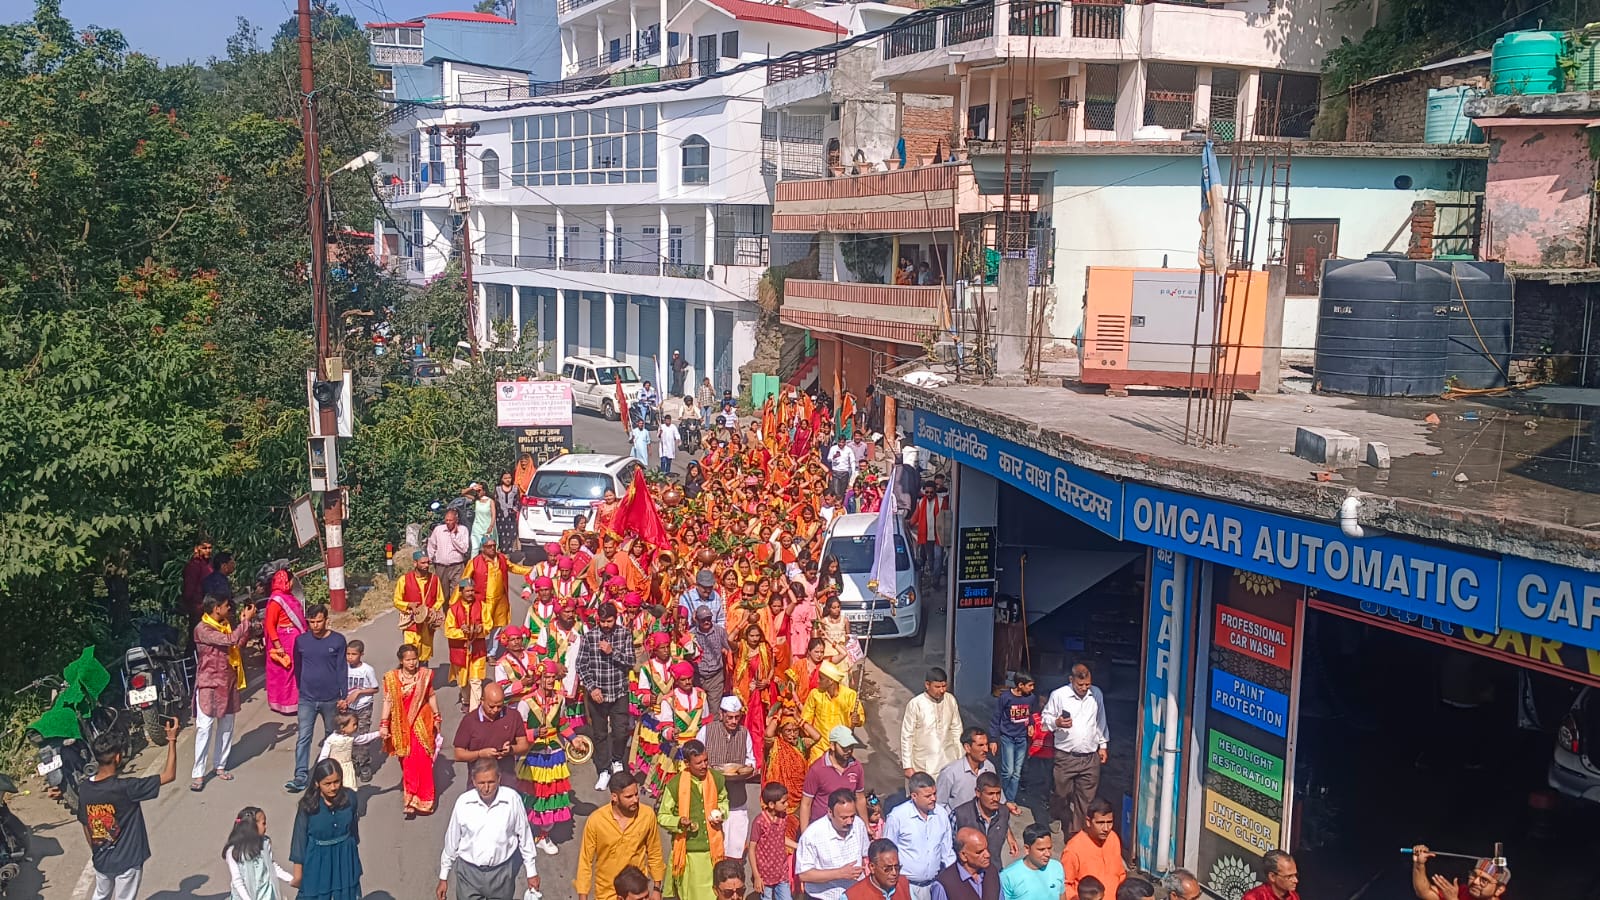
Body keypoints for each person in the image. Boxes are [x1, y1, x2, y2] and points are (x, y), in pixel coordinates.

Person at [76, 720, 179, 900]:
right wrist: (171, 739)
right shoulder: (126, 787)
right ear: (117, 758)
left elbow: (86, 824)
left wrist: (96, 851)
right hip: (127, 861)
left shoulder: (85, 789)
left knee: (100, 895)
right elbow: (169, 775)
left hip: (102, 860)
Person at [438, 757, 541, 900]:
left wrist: (531, 872)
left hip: (502, 874)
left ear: (499, 779)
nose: (486, 788)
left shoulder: (512, 800)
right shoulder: (463, 803)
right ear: (474, 781)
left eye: (491, 782)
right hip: (468, 875)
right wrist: (443, 876)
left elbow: (525, 836)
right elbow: (452, 841)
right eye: (481, 783)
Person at [192, 593, 255, 792]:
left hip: (228, 681)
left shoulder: (226, 625)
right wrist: (245, 622)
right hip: (209, 684)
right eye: (227, 606)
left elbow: (237, 644)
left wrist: (245, 626)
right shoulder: (202, 629)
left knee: (227, 726)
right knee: (204, 728)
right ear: (216, 608)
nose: (229, 609)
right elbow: (230, 640)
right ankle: (198, 773)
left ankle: (220, 765)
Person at [575, 771, 667, 900]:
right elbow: (585, 862)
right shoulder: (596, 821)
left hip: (636, 893)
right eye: (629, 797)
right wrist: (583, 896)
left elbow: (655, 852)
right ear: (614, 797)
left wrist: (657, 888)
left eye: (636, 794)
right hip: (606, 893)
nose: (635, 800)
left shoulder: (647, 815)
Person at [1040, 664, 1108, 834]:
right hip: (1066, 757)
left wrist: (1103, 745)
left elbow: (1101, 721)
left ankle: (1076, 832)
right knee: (1061, 792)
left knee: (1086, 798)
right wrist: (1057, 722)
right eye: (1080, 685)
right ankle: (1056, 814)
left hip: (1090, 757)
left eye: (1087, 685)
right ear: (1071, 680)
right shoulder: (1059, 695)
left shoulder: (1096, 694)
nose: (1084, 688)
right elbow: (1045, 719)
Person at [658, 740, 729, 900]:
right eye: (699, 763)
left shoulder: (716, 779)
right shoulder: (675, 784)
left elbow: (723, 801)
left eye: (706, 760)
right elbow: (662, 816)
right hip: (689, 854)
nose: (704, 766)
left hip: (713, 853)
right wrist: (678, 822)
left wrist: (721, 813)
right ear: (686, 763)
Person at [288, 604, 348, 794]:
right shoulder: (301, 641)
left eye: (319, 621)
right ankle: (300, 776)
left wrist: (344, 695)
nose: (315, 625)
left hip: (331, 699)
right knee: (303, 737)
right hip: (307, 699)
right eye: (311, 621)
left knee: (332, 736)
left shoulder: (338, 640)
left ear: (326, 620)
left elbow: (341, 668)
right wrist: (302, 688)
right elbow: (297, 666)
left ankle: (331, 776)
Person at [579, 602, 638, 791]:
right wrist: (592, 688)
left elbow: (631, 661)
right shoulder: (589, 637)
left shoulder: (624, 634)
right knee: (600, 734)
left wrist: (612, 652)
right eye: (602, 621)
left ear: (615, 619)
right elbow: (581, 665)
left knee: (621, 731)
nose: (605, 625)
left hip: (619, 691)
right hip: (598, 694)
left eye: (609, 621)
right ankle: (604, 769)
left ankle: (617, 759)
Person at [381, 643, 443, 818]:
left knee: (422, 759)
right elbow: (388, 701)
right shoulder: (391, 678)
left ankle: (423, 799)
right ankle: (411, 795)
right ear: (401, 661)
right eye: (408, 660)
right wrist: (384, 723)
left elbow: (431, 695)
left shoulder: (425, 675)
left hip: (422, 722)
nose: (412, 663)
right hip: (401, 725)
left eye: (414, 659)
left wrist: (437, 716)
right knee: (407, 761)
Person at [289, 758, 363, 900]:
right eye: (327, 784)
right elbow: (299, 839)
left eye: (337, 782)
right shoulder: (308, 805)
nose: (333, 787)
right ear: (317, 783)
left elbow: (353, 829)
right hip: (318, 860)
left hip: (345, 857)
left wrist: (353, 858)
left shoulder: (350, 798)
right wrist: (298, 875)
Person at [700, 695, 757, 860]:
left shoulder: (744, 733)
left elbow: (750, 759)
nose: (734, 721)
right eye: (730, 717)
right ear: (721, 714)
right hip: (712, 791)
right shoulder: (707, 730)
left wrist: (748, 768)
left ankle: (734, 865)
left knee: (736, 835)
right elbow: (697, 756)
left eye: (737, 717)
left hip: (736, 793)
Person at [882, 772, 954, 900]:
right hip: (906, 886)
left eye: (934, 794)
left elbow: (947, 852)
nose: (933, 798)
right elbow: (886, 852)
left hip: (934, 885)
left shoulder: (941, 814)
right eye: (928, 796)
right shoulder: (897, 816)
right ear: (914, 796)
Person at [795, 788, 870, 900]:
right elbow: (804, 874)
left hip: (855, 895)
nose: (849, 822)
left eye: (852, 816)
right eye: (844, 818)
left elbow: (865, 856)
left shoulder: (859, 825)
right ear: (830, 812)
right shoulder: (812, 835)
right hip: (822, 897)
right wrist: (840, 873)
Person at [453, 682, 531, 785]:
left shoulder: (513, 716)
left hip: (506, 780)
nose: (495, 710)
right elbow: (458, 754)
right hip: (480, 782)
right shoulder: (469, 720)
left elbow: (524, 746)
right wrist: (480, 754)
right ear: (482, 701)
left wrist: (511, 749)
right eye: (491, 706)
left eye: (499, 706)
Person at [901, 668, 964, 782]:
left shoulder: (950, 700)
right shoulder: (916, 704)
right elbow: (907, 736)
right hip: (924, 765)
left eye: (944, 686)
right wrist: (907, 766)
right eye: (937, 687)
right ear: (927, 685)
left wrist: (962, 758)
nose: (942, 690)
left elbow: (957, 730)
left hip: (949, 761)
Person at [799, 726, 867, 826]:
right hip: (821, 828)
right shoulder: (817, 769)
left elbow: (860, 798)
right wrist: (805, 832)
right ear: (832, 746)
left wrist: (866, 826)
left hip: (847, 825)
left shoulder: (856, 767)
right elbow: (806, 803)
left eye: (851, 746)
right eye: (844, 747)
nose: (849, 750)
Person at [223, 806, 295, 900]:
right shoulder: (233, 851)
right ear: (251, 826)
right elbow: (238, 881)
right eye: (263, 823)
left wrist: (291, 879)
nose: (266, 827)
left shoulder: (265, 844)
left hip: (266, 895)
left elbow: (271, 866)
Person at [952, 773, 1017, 874]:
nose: (996, 798)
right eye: (990, 794)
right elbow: (949, 849)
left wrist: (1010, 837)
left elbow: (1004, 825)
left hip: (993, 872)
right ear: (978, 792)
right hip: (966, 875)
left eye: (998, 793)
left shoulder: (1004, 812)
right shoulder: (960, 815)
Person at [1061, 799, 1125, 900]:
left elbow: (1120, 874)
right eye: (1100, 823)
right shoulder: (1073, 849)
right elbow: (1065, 885)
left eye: (1109, 822)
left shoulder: (1113, 838)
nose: (1106, 828)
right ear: (1088, 822)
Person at [263, 569, 307, 716]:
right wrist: (278, 645)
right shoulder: (277, 599)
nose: (293, 583)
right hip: (284, 640)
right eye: (291, 580)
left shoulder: (288, 596)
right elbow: (270, 624)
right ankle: (286, 703)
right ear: (286, 581)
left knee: (296, 670)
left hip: (294, 637)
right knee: (287, 670)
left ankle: (296, 701)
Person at [467, 538, 535, 633]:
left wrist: (533, 569)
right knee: (481, 629)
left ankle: (493, 643)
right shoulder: (474, 562)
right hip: (483, 602)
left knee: (497, 629)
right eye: (489, 546)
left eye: (494, 546)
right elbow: (464, 580)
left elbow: (514, 568)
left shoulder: (501, 558)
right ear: (483, 548)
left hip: (500, 602)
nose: (492, 548)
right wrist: (457, 600)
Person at [446, 575, 493, 712]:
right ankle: (466, 700)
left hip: (478, 649)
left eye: (472, 590)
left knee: (476, 680)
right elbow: (448, 631)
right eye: (467, 591)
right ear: (461, 592)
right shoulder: (453, 609)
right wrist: (462, 632)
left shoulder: (482, 606)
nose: (470, 593)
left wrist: (480, 629)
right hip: (460, 650)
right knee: (463, 681)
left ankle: (474, 712)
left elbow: (488, 624)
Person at [800, 662, 864, 763]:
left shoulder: (850, 695)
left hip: (840, 747)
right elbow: (806, 718)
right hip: (818, 747)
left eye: (821, 678)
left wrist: (857, 720)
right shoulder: (815, 694)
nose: (817, 681)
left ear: (830, 681)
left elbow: (860, 718)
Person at [990, 674, 1037, 804]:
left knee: (1017, 772)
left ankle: (1010, 799)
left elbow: (1031, 714)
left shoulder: (1031, 698)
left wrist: (1031, 725)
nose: (1032, 688)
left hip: (1022, 738)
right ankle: (1002, 797)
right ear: (1020, 685)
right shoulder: (1006, 697)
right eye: (1030, 685)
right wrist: (993, 739)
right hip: (1007, 738)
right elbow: (996, 717)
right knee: (1008, 771)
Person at [748, 782, 799, 900]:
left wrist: (798, 845)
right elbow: (752, 849)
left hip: (781, 872)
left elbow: (780, 838)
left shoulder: (783, 817)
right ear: (771, 804)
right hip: (764, 874)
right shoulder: (760, 822)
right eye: (783, 802)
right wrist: (757, 876)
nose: (787, 804)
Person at [395, 551, 446, 664]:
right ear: (415, 563)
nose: (426, 565)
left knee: (425, 651)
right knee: (410, 651)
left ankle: (424, 671)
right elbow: (397, 601)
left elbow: (440, 599)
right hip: (411, 623)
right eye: (423, 563)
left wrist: (433, 609)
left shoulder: (434, 579)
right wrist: (409, 605)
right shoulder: (404, 579)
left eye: (428, 563)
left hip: (427, 623)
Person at [316, 711, 381, 794]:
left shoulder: (352, 737)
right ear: (342, 727)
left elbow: (364, 738)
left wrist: (379, 733)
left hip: (348, 768)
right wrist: (320, 771)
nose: (356, 726)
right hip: (334, 769)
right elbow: (323, 757)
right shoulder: (331, 740)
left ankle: (349, 801)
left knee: (349, 789)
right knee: (336, 788)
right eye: (354, 724)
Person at [343, 639, 379, 784]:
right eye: (348, 654)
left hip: (364, 707)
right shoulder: (343, 668)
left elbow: (375, 689)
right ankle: (352, 761)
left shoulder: (367, 670)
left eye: (354, 654)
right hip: (348, 707)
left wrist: (359, 692)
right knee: (348, 735)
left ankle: (364, 764)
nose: (350, 657)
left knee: (362, 735)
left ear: (361, 654)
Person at [1409, 846, 1505, 900]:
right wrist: (1419, 865)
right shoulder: (1464, 891)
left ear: (1499, 890)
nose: (1475, 882)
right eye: (1473, 875)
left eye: (1484, 880)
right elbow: (1424, 892)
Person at [936, 728, 996, 811]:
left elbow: (997, 795)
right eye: (980, 745)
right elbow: (939, 805)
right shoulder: (950, 773)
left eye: (986, 744)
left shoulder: (989, 767)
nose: (986, 749)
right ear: (967, 747)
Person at [929, 828, 997, 900]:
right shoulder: (944, 885)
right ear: (963, 856)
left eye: (986, 849)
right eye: (979, 852)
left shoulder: (992, 873)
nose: (987, 855)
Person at [999, 825, 1064, 900]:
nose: (1048, 854)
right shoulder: (1008, 876)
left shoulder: (1057, 867)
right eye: (1041, 849)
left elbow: (1062, 896)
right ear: (1027, 849)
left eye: (1049, 848)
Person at [428, 508, 472, 596]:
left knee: (456, 593)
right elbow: (432, 545)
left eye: (450, 520)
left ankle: (454, 605)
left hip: (457, 566)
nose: (448, 522)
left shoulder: (463, 530)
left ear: (456, 520)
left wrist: (453, 536)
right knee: (443, 594)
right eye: (446, 520)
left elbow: (464, 549)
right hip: (441, 567)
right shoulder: (438, 530)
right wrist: (430, 557)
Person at [847, 839, 912, 900]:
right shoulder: (852, 896)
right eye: (887, 869)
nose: (894, 873)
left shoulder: (904, 883)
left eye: (897, 867)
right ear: (872, 867)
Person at [692, 606, 730, 704]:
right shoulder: (692, 634)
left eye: (708, 619)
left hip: (716, 676)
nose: (706, 622)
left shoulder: (720, 631)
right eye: (703, 620)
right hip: (698, 677)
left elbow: (729, 648)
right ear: (697, 620)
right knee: (700, 707)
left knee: (714, 708)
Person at [909, 485, 947, 578]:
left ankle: (935, 578)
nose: (929, 494)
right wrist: (908, 524)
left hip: (938, 535)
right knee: (930, 558)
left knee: (938, 557)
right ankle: (932, 575)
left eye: (931, 492)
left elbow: (946, 518)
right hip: (926, 535)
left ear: (935, 492)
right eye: (927, 492)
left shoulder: (942, 501)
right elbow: (916, 516)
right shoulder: (921, 502)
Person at [181, 538, 213, 634]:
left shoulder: (209, 564)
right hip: (198, 607)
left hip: (210, 606)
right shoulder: (194, 565)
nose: (208, 551)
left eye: (210, 548)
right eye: (204, 548)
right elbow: (189, 588)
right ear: (196, 549)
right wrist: (190, 606)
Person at [495, 472, 523, 552]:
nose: (508, 480)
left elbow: (518, 502)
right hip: (500, 517)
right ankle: (502, 553)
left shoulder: (515, 489)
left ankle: (508, 553)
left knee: (511, 535)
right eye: (505, 478)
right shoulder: (497, 489)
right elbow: (495, 502)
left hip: (511, 517)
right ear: (502, 479)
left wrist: (515, 509)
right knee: (501, 535)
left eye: (509, 478)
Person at [467, 483, 495, 555]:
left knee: (488, 548)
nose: (478, 492)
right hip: (477, 528)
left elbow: (493, 514)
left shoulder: (490, 501)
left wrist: (491, 526)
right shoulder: (476, 500)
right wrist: (472, 488)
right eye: (477, 491)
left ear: (484, 491)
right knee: (475, 548)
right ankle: (473, 561)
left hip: (487, 528)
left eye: (479, 490)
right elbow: (463, 493)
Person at [826, 438, 855, 503]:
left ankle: (842, 505)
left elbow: (852, 461)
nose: (840, 444)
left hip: (845, 472)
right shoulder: (833, 448)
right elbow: (829, 459)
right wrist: (834, 457)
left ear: (845, 443)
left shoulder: (848, 450)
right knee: (836, 491)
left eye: (842, 442)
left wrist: (853, 472)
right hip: (836, 472)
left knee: (843, 491)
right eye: (839, 442)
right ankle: (837, 504)